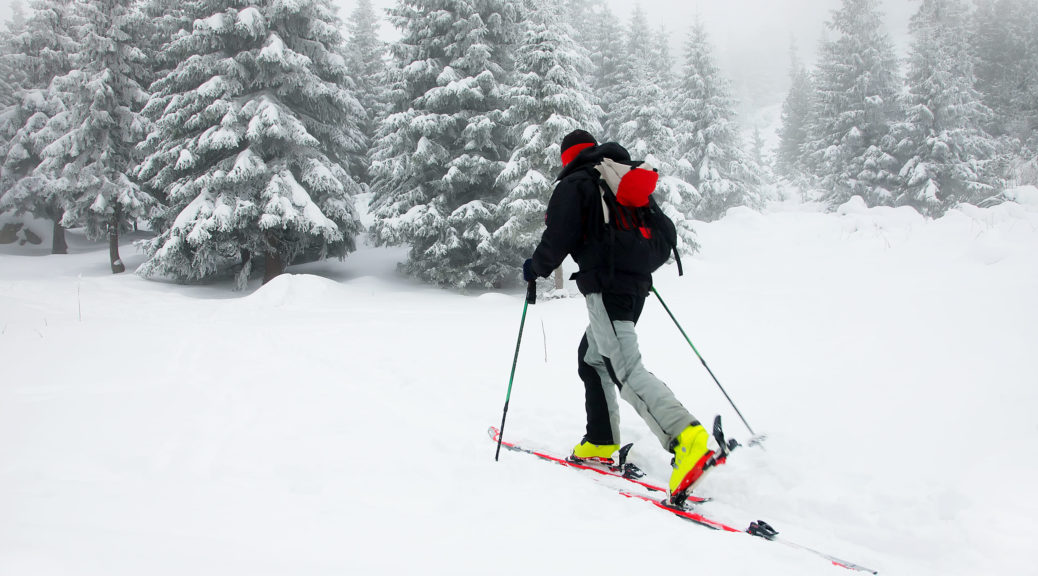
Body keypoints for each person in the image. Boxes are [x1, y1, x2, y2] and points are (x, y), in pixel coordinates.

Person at [522, 129, 712, 502]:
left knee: (624, 368)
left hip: (606, 289)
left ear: (567, 157)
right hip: (635, 287)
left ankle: (686, 439)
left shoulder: (576, 183)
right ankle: (600, 441)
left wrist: (535, 268)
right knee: (592, 358)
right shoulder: (615, 175)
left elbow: (558, 236)